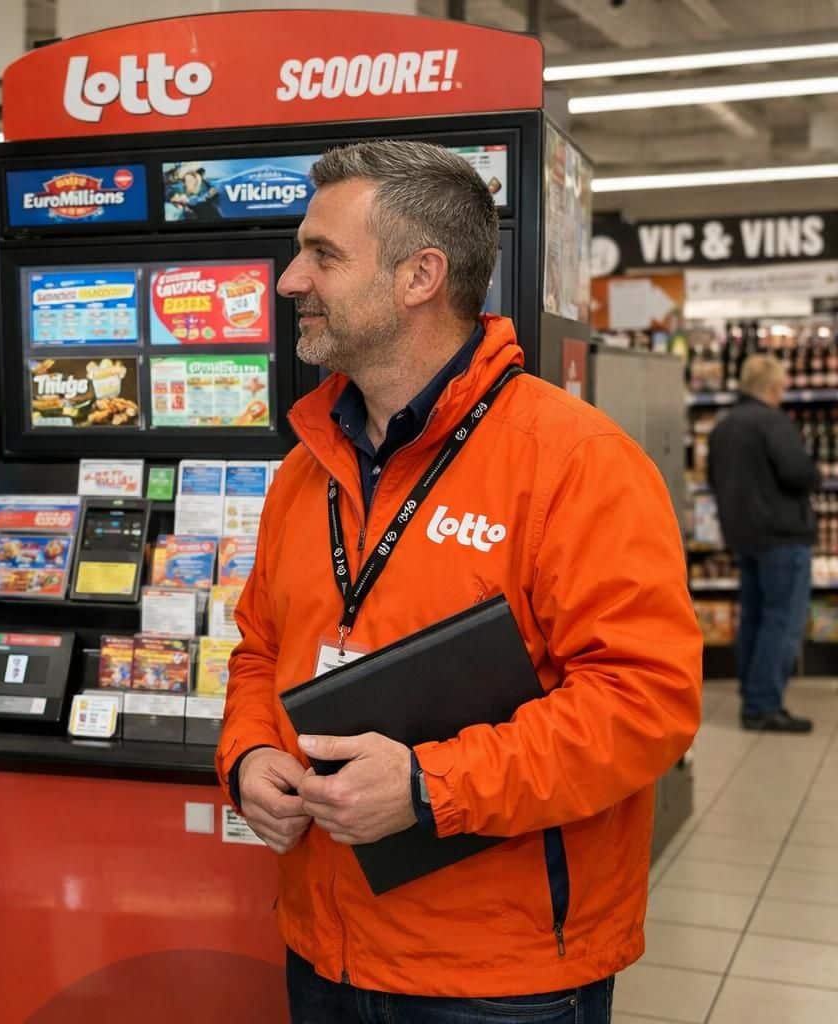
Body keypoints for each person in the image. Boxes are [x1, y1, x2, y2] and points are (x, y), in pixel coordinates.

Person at [217, 140, 701, 1022]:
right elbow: (260, 649)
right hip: (323, 945)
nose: (290, 280)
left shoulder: (574, 462)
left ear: (420, 276)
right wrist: (248, 754)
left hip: (498, 977)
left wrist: (427, 786)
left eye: (322, 255)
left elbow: (645, 702)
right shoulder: (305, 470)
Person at [707, 354, 817, 733]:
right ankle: (764, 704)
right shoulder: (773, 422)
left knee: (754, 617)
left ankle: (752, 694)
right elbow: (799, 472)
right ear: (771, 387)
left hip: (744, 536)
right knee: (782, 620)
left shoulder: (723, 427)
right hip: (782, 536)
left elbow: (714, 479)